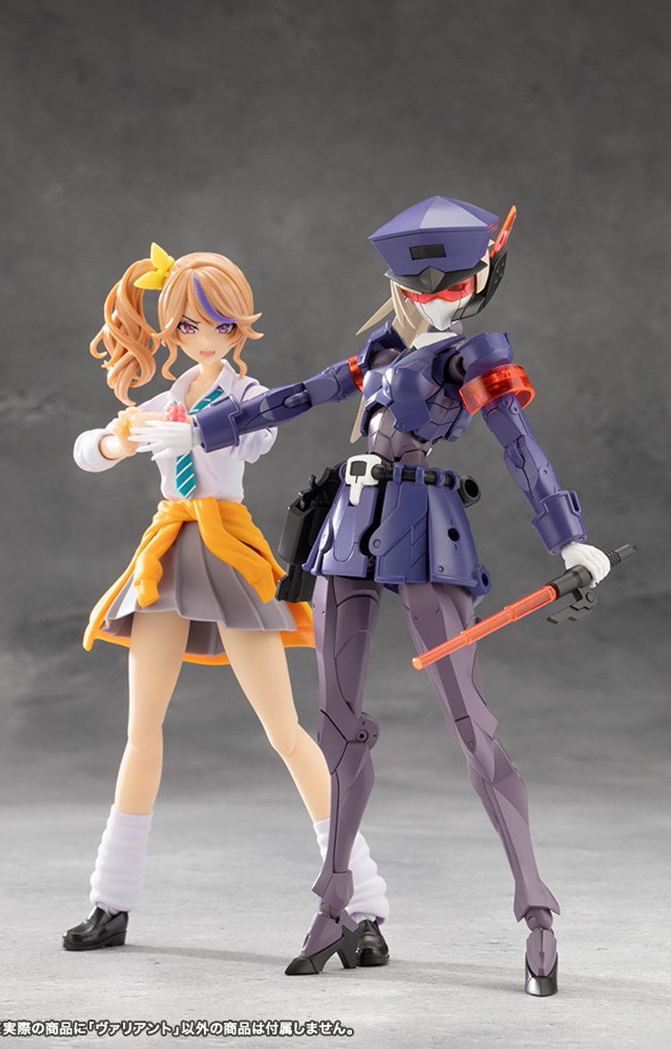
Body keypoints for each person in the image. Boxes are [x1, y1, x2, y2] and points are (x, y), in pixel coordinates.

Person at [133, 199, 611, 994]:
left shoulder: (472, 358)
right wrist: (204, 432)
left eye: (450, 282)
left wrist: (568, 537)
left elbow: (520, 446)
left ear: (480, 275)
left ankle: (536, 911)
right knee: (336, 726)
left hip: (426, 527)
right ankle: (335, 904)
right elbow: (295, 396)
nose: (434, 296)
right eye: (418, 284)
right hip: (350, 526)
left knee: (471, 724)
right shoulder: (381, 350)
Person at [63, 245, 389, 964]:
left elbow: (261, 433)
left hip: (227, 547)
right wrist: (116, 440)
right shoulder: (167, 399)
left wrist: (201, 431)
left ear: (240, 327)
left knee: (285, 731)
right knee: (141, 731)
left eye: (221, 326)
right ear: (172, 330)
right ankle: (110, 901)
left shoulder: (247, 395)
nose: (205, 339)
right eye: (189, 327)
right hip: (170, 546)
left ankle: (363, 904)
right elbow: (87, 451)